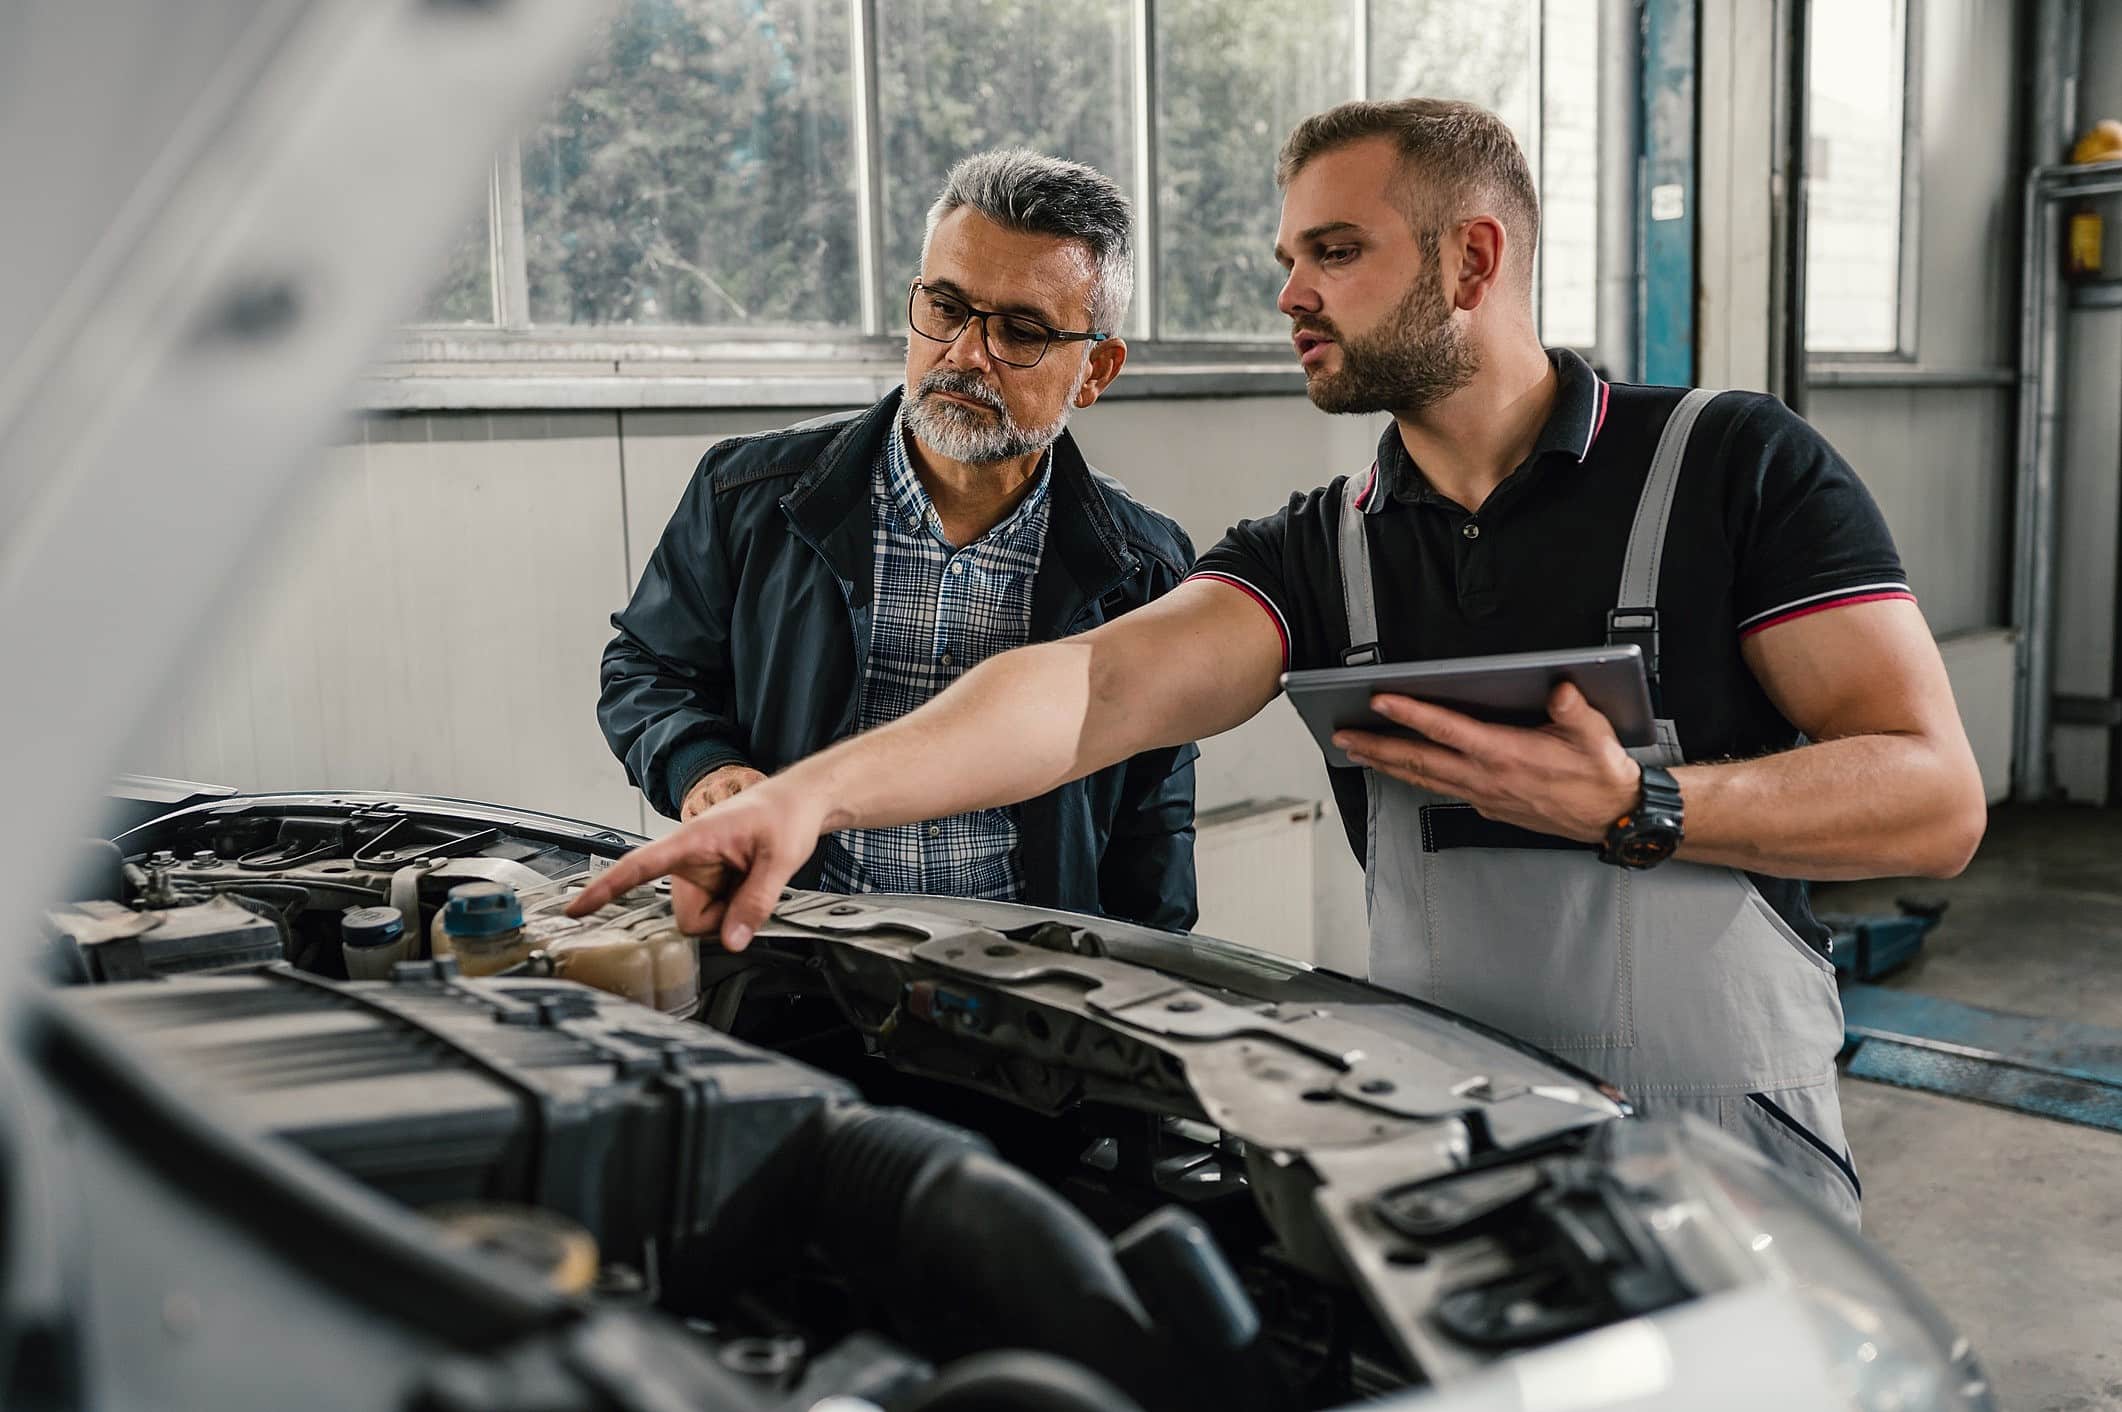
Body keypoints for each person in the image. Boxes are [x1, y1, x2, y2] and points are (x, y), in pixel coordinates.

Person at [574, 100, 1988, 1223]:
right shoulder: (1326, 549)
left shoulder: (1730, 467)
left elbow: (1933, 800)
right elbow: (1085, 689)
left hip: (1723, 1129)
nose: (1290, 294)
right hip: (1449, 1128)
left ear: (1472, 259)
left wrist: (1643, 807)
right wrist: (806, 797)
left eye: (1334, 253)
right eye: (1285, 261)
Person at [595, 149, 1200, 930]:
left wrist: (1148, 993)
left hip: (1031, 982)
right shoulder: (744, 497)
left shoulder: (1143, 569)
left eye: (1020, 331)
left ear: (1096, 371)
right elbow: (645, 668)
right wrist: (704, 767)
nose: (965, 354)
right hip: (795, 951)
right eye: (946, 308)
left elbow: (1155, 819)